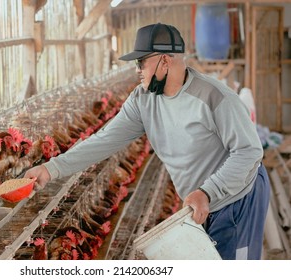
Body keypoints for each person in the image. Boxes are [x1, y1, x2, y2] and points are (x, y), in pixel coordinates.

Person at [24, 23, 271, 260]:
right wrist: (52, 168)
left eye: (141, 62)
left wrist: (208, 192)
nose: (137, 70)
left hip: (237, 195)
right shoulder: (143, 100)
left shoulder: (214, 97)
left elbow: (249, 152)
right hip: (199, 199)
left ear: (165, 60)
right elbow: (105, 139)